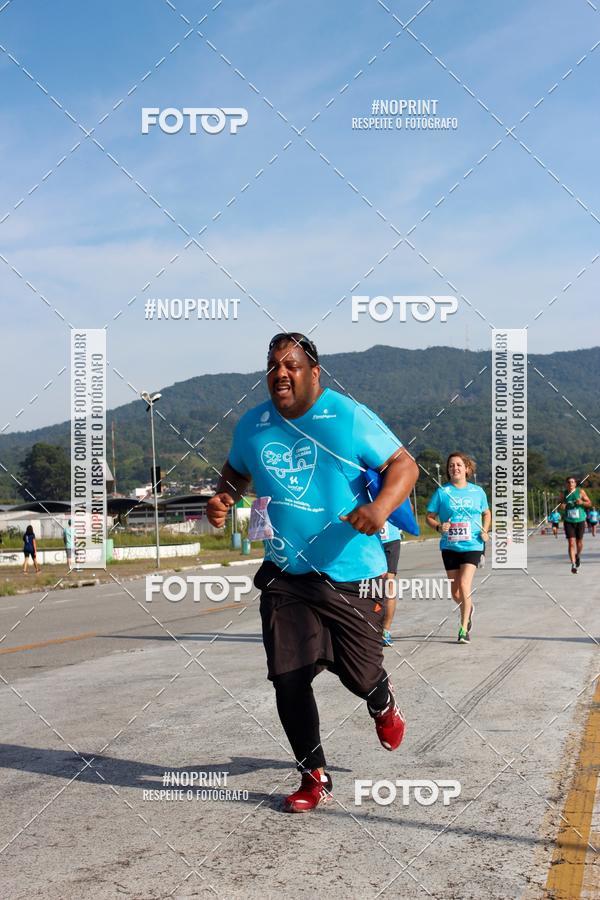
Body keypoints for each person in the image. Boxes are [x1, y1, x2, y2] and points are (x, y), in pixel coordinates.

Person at [207, 332, 418, 813]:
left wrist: (381, 508)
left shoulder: (346, 416)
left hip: (351, 573)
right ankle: (313, 775)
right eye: (272, 365)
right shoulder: (253, 426)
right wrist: (224, 497)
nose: (280, 373)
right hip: (286, 573)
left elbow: (404, 465)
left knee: (358, 675)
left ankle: (380, 696)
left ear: (313, 372)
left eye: (291, 365)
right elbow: (235, 471)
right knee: (289, 677)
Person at [426, 453, 490, 644]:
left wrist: (485, 530)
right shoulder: (441, 492)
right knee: (455, 593)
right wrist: (438, 526)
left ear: (467, 469)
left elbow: (487, 513)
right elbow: (429, 516)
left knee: (464, 585)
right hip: (449, 546)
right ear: (448, 470)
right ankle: (468, 607)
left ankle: (463, 629)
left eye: (459, 465)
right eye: (451, 465)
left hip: (473, 544)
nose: (455, 468)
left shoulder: (478, 492)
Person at [560, 477, 592, 573]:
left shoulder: (580, 492)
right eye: (569, 482)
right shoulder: (563, 494)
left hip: (580, 520)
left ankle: (577, 556)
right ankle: (573, 564)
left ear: (575, 484)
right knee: (571, 542)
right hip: (568, 520)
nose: (570, 484)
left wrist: (582, 502)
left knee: (579, 542)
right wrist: (562, 506)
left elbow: (589, 503)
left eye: (572, 482)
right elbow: (560, 505)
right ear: (566, 484)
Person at [378, 521, 402, 646]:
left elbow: (407, 508)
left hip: (391, 539)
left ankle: (386, 631)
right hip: (368, 539)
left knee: (389, 583)